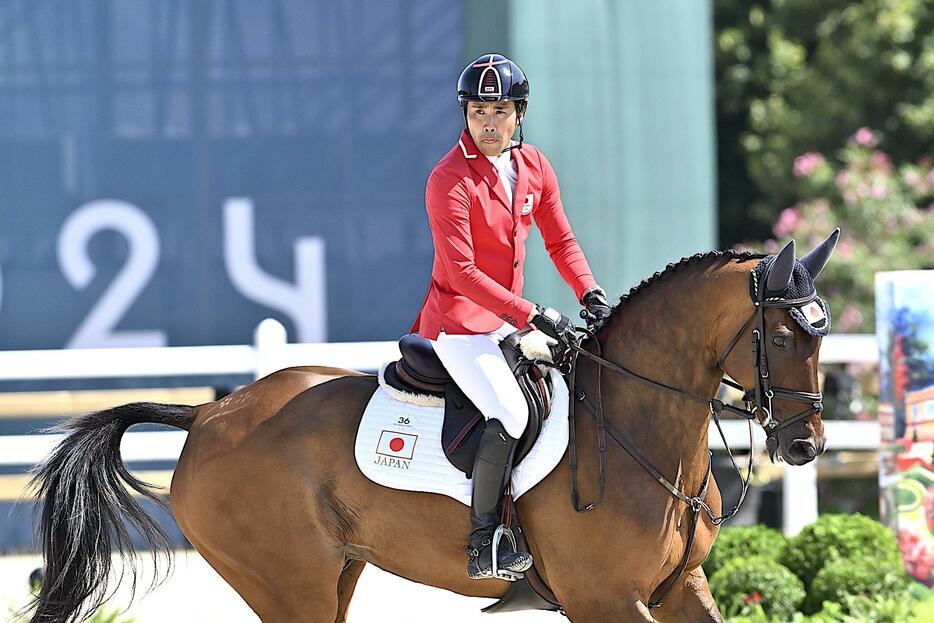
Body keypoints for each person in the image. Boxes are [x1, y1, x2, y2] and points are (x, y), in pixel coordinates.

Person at [409, 53, 612, 580]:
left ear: (519, 113)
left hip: (504, 322)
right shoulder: (448, 180)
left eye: (500, 110)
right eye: (478, 111)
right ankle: (484, 542)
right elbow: (463, 273)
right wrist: (535, 313)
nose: (489, 123)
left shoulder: (533, 166)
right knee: (514, 413)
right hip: (458, 324)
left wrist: (589, 292)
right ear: (466, 114)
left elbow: (560, 239)